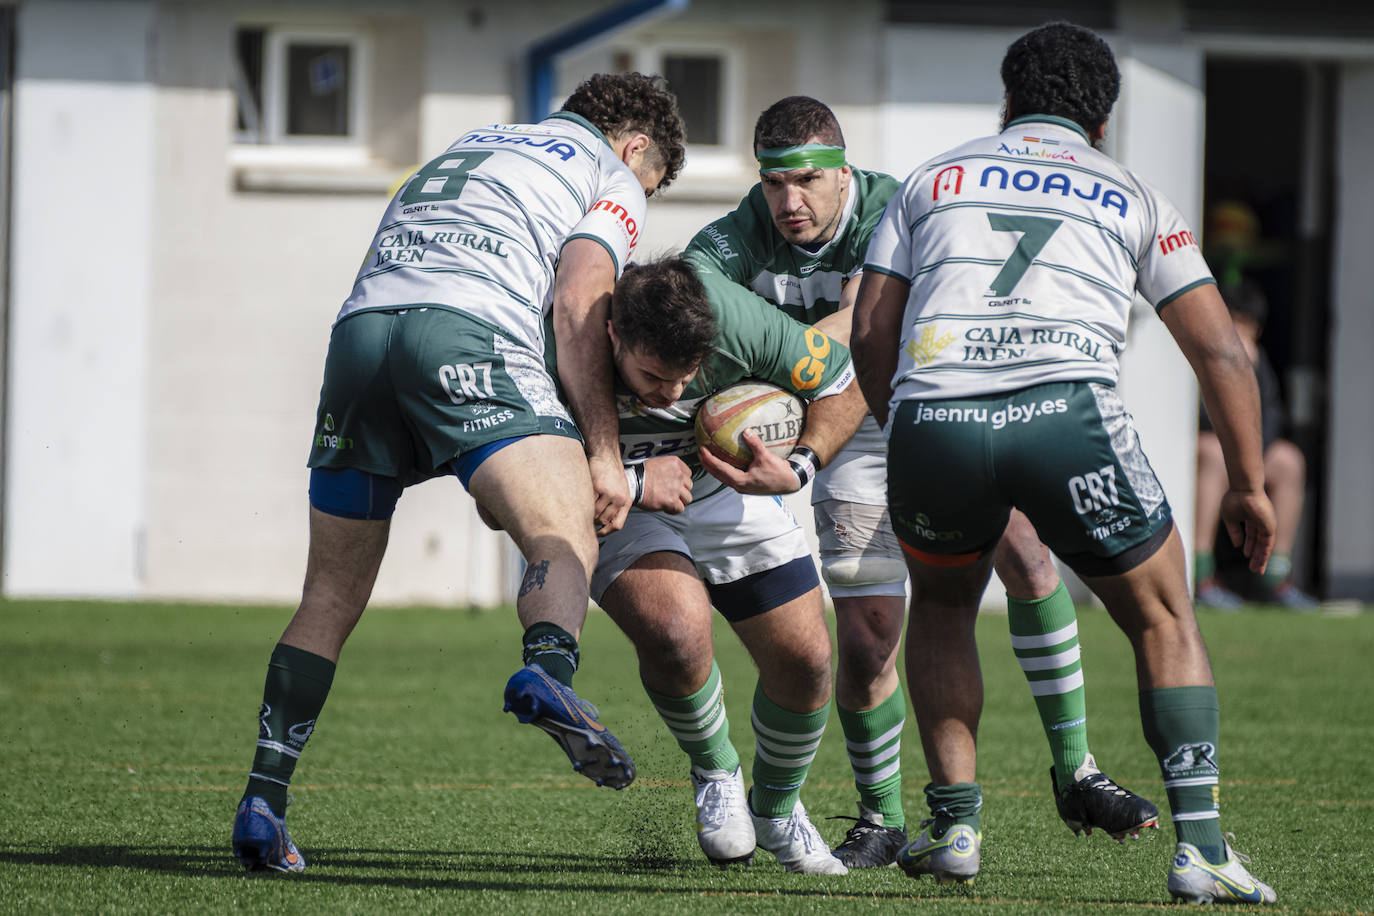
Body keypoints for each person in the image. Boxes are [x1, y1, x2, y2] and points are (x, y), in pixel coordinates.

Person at [851, 22, 1277, 904]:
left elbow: (869, 330)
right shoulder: (1132, 192)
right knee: (1164, 617)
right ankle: (1199, 847)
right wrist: (1247, 483)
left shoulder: (933, 178)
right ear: (1105, 120)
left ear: (1008, 102)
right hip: (1067, 414)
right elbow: (1223, 355)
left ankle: (957, 827)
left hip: (936, 416)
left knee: (940, 609)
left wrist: (909, 424)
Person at [683, 95, 1156, 868]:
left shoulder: (892, 206)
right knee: (868, 641)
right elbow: (693, 302)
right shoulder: (740, 232)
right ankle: (883, 818)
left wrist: (765, 349)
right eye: (773, 183)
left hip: (933, 407)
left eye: (805, 180)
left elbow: (862, 327)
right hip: (843, 439)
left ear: (843, 171)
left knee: (1030, 560)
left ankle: (1078, 770)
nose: (788, 201)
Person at [229, 73, 686, 873]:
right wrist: (607, 456)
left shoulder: (471, 142)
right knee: (561, 521)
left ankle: (264, 798)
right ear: (636, 146)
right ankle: (550, 671)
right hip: (466, 331)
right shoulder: (609, 173)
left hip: (361, 338)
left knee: (328, 597)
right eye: (649, 183)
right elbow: (581, 297)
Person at [561, 256, 867, 874]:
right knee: (678, 631)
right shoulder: (557, 341)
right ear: (615, 335)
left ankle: (777, 813)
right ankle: (717, 771)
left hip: (724, 490)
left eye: (687, 377)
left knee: (807, 661)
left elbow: (844, 383)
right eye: (652, 375)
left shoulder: (736, 318)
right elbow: (511, 474)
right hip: (619, 504)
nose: (671, 394)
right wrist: (637, 478)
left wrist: (800, 466)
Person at [1195, 278, 1316, 609]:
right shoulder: (1199, 351)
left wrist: (1245, 367)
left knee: (1288, 461)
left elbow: (1272, 421)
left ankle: (1274, 578)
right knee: (1212, 452)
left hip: (1249, 456)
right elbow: (1200, 417)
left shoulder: (1260, 365)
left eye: (1244, 327)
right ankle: (1201, 577)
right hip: (1212, 453)